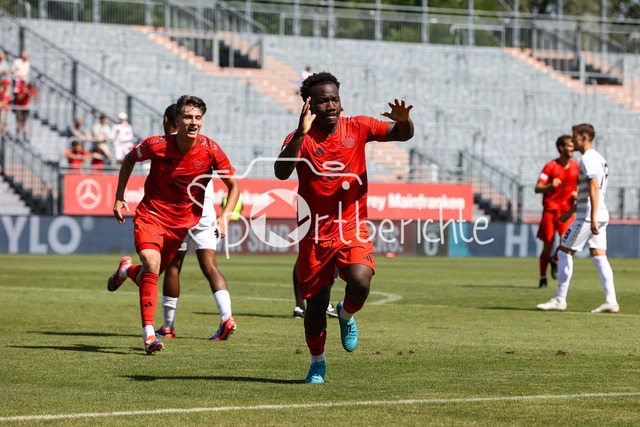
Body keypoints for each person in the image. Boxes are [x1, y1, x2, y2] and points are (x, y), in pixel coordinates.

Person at [274, 72, 414, 383]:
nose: (331, 105)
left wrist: (404, 121)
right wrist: (300, 133)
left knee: (361, 281)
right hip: (314, 234)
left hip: (352, 226)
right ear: (309, 105)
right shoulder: (300, 137)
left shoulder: (358, 126)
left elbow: (403, 135)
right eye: (323, 101)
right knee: (315, 308)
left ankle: (346, 313)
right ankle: (317, 362)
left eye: (335, 99)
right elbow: (281, 172)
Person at [107, 95, 239, 354]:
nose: (193, 122)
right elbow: (129, 159)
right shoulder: (156, 145)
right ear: (176, 120)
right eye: (188, 117)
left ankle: (125, 271)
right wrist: (120, 196)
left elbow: (234, 186)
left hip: (181, 225)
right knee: (152, 264)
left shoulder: (211, 150)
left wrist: (225, 215)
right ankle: (149, 335)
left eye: (198, 118)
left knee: (150, 274)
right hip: (151, 216)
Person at [156, 103, 240, 342]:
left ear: (167, 120)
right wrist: (224, 215)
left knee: (173, 267)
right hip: (206, 213)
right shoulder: (206, 146)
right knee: (211, 267)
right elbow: (234, 185)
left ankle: (168, 327)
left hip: (178, 215)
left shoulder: (167, 145)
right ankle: (226, 317)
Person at [537, 123, 618, 313]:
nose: (573, 141)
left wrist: (592, 217)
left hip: (589, 216)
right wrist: (571, 211)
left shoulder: (587, 159)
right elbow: (591, 191)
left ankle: (560, 299)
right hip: (599, 213)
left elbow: (593, 187)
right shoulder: (599, 157)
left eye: (575, 136)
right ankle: (611, 301)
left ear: (584, 137)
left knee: (563, 252)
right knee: (599, 256)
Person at [534, 135, 579, 288]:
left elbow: (582, 183)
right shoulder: (550, 166)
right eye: (569, 146)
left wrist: (577, 192)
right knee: (547, 245)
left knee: (567, 241)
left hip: (567, 210)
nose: (572, 148)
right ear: (561, 148)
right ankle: (542, 277)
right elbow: (537, 188)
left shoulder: (577, 166)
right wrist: (550, 186)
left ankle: (554, 259)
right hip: (551, 209)